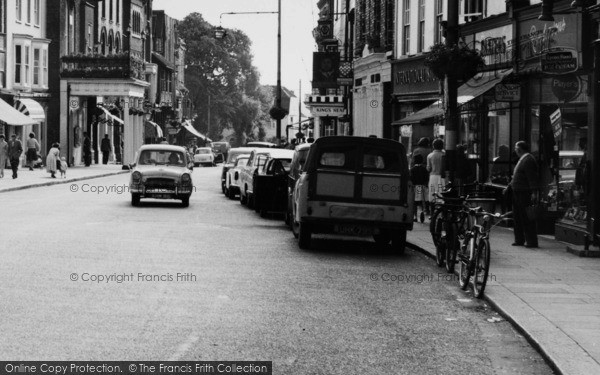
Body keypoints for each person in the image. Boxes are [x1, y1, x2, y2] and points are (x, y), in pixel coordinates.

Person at [505, 141, 539, 248]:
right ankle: (519, 239)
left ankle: (531, 241)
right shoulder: (522, 159)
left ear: (520, 149)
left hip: (524, 193)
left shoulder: (528, 160)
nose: (515, 150)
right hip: (517, 192)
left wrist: (534, 192)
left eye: (516, 148)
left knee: (526, 217)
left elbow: (532, 178)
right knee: (517, 217)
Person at [410, 154, 429, 222]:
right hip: (423, 187)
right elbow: (427, 178)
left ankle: (415, 216)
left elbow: (411, 179)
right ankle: (422, 212)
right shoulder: (424, 169)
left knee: (414, 203)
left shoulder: (412, 169)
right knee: (422, 202)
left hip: (415, 187)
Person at [427, 138, 445, 204]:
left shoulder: (430, 156)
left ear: (433, 146)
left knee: (432, 193)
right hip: (443, 177)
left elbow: (428, 168)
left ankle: (432, 210)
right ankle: (443, 211)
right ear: (442, 146)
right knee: (442, 193)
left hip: (433, 176)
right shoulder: (444, 155)